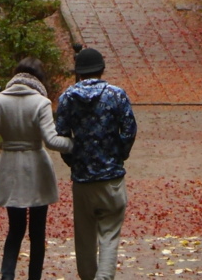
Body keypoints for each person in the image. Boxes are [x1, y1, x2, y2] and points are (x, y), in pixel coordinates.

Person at [0, 56, 74, 280]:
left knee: (15, 229)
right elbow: (51, 141)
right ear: (39, 79)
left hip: (9, 168)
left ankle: (7, 275)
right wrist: (74, 144)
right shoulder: (41, 102)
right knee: (37, 232)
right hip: (36, 168)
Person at [54, 46, 137, 280]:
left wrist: (73, 160)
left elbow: (61, 135)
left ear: (79, 72)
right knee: (109, 234)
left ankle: (89, 276)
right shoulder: (116, 95)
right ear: (102, 69)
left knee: (84, 236)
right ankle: (104, 277)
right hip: (111, 177)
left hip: (82, 179)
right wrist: (119, 154)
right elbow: (129, 129)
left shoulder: (67, 98)